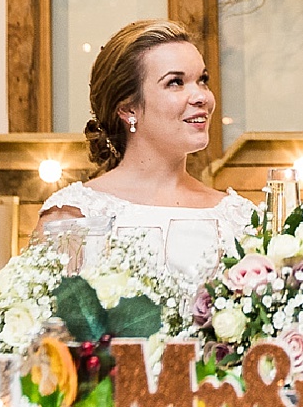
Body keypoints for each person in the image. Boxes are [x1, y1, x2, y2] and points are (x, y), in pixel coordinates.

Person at [39, 19, 254, 271]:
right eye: (176, 82)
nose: (202, 97)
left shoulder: (239, 217)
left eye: (202, 80)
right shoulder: (74, 215)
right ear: (128, 108)